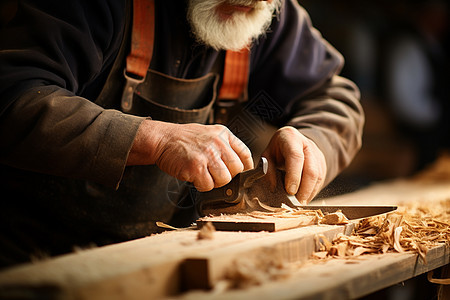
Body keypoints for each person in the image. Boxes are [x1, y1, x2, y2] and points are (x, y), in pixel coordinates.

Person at [0, 0, 364, 269]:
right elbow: (13, 97)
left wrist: (314, 142)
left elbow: (335, 96)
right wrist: (155, 138)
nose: (257, 2)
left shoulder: (261, 11)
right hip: (36, 258)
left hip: (159, 258)